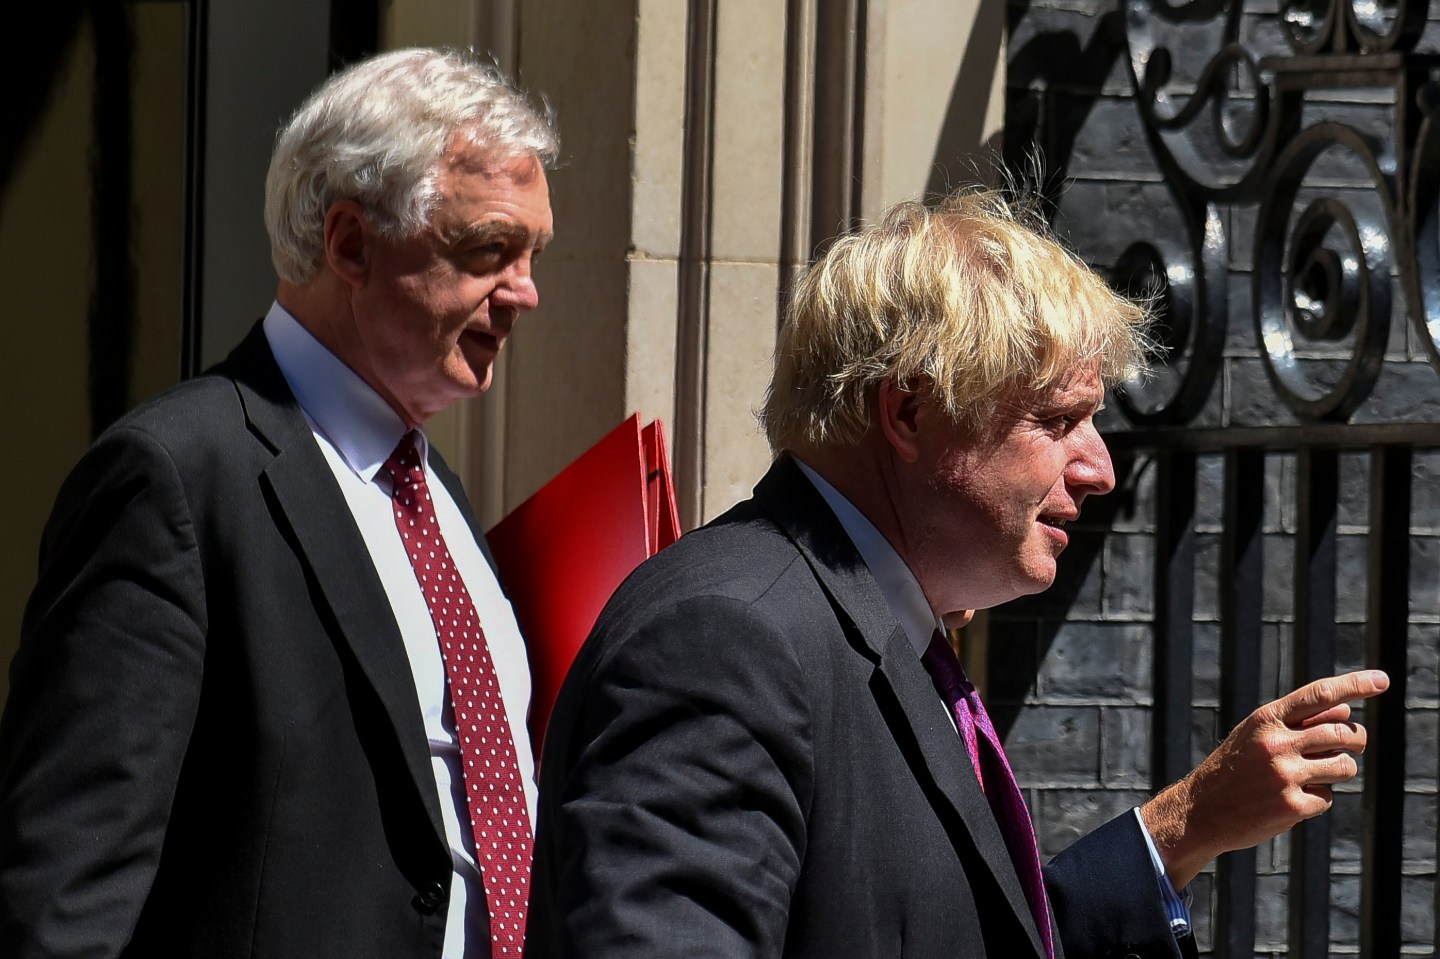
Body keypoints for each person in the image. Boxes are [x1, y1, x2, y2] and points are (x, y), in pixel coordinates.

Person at [526, 189, 1388, 958]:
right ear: (907, 409)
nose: (1099, 468)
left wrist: (1182, 827)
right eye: (1058, 420)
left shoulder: (880, 626)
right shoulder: (727, 639)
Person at [0, 48, 556, 959]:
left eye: (532, 254)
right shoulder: (175, 476)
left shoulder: (436, 493)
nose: (526, 291)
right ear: (349, 243)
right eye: (489, 248)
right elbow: (68, 891)